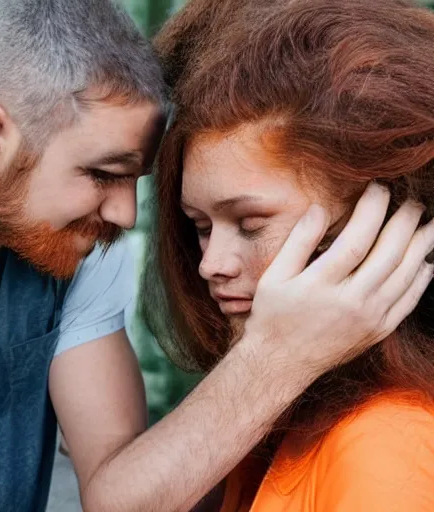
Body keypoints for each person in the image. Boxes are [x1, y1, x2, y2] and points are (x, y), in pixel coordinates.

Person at [0, 1, 432, 512]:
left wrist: (279, 359)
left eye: (134, 180)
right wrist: (278, 354)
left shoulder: (74, 244)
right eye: (102, 173)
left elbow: (120, 496)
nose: (122, 216)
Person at [145, 0, 434, 510]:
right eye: (201, 227)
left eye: (250, 225)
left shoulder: (388, 446)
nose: (210, 264)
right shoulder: (286, 414)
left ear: (383, 226)